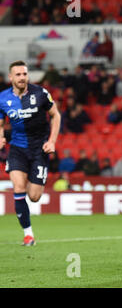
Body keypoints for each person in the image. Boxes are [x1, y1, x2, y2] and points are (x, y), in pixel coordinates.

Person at [0, 60, 61, 246]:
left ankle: (29, 186)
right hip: (17, 149)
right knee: (18, 187)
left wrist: (51, 141)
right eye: (18, 74)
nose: (22, 77)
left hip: (38, 149)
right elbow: (1, 123)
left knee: (34, 196)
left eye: (24, 74)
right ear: (10, 77)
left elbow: (55, 115)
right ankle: (28, 235)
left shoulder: (40, 93)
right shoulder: (3, 98)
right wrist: (1, 136)